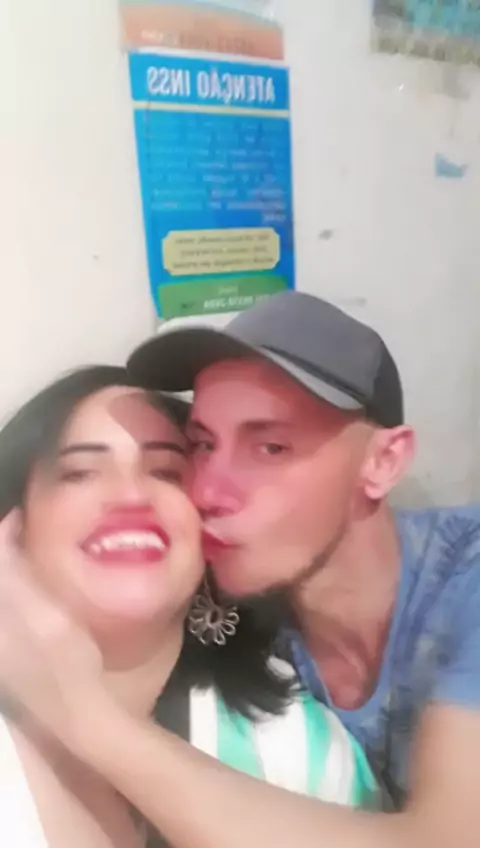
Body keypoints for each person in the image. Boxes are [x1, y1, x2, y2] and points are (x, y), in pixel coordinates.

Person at [113, 290, 480, 846]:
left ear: (383, 461)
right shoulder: (233, 606)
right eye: (203, 446)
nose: (206, 492)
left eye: (271, 448)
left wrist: (81, 717)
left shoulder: (467, 575)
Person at [0, 364, 379, 848]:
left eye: (166, 472)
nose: (132, 494)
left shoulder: (296, 747)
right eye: (79, 473)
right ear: (13, 531)